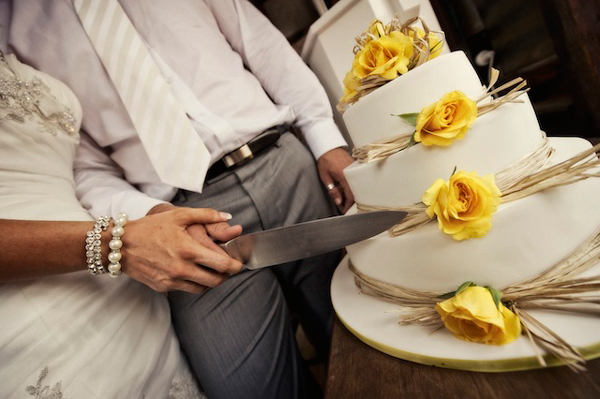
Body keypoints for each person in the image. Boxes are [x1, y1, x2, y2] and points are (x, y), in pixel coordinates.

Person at [3, 0, 356, 397]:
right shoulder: (12, 29)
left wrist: (325, 139)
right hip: (184, 223)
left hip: (284, 162)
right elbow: (82, 168)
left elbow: (261, 46)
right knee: (250, 387)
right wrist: (151, 216)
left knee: (362, 329)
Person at [0, 51, 242, 398]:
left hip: (133, 299)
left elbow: (83, 172)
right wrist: (114, 245)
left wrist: (148, 218)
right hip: (38, 327)